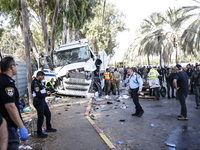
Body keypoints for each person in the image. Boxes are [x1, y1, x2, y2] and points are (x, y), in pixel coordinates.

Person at [0, 56, 29, 149]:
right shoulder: (7, 83)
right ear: (12, 67)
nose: (16, 67)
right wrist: (21, 126)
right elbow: (10, 106)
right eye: (16, 65)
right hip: (8, 125)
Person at [31, 71, 57, 138]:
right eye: (42, 77)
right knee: (41, 117)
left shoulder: (39, 83)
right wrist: (46, 94)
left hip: (42, 101)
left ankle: (48, 127)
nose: (43, 79)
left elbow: (41, 91)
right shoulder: (35, 83)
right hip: (38, 102)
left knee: (48, 114)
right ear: (39, 76)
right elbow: (38, 94)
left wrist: (46, 92)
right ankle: (39, 133)